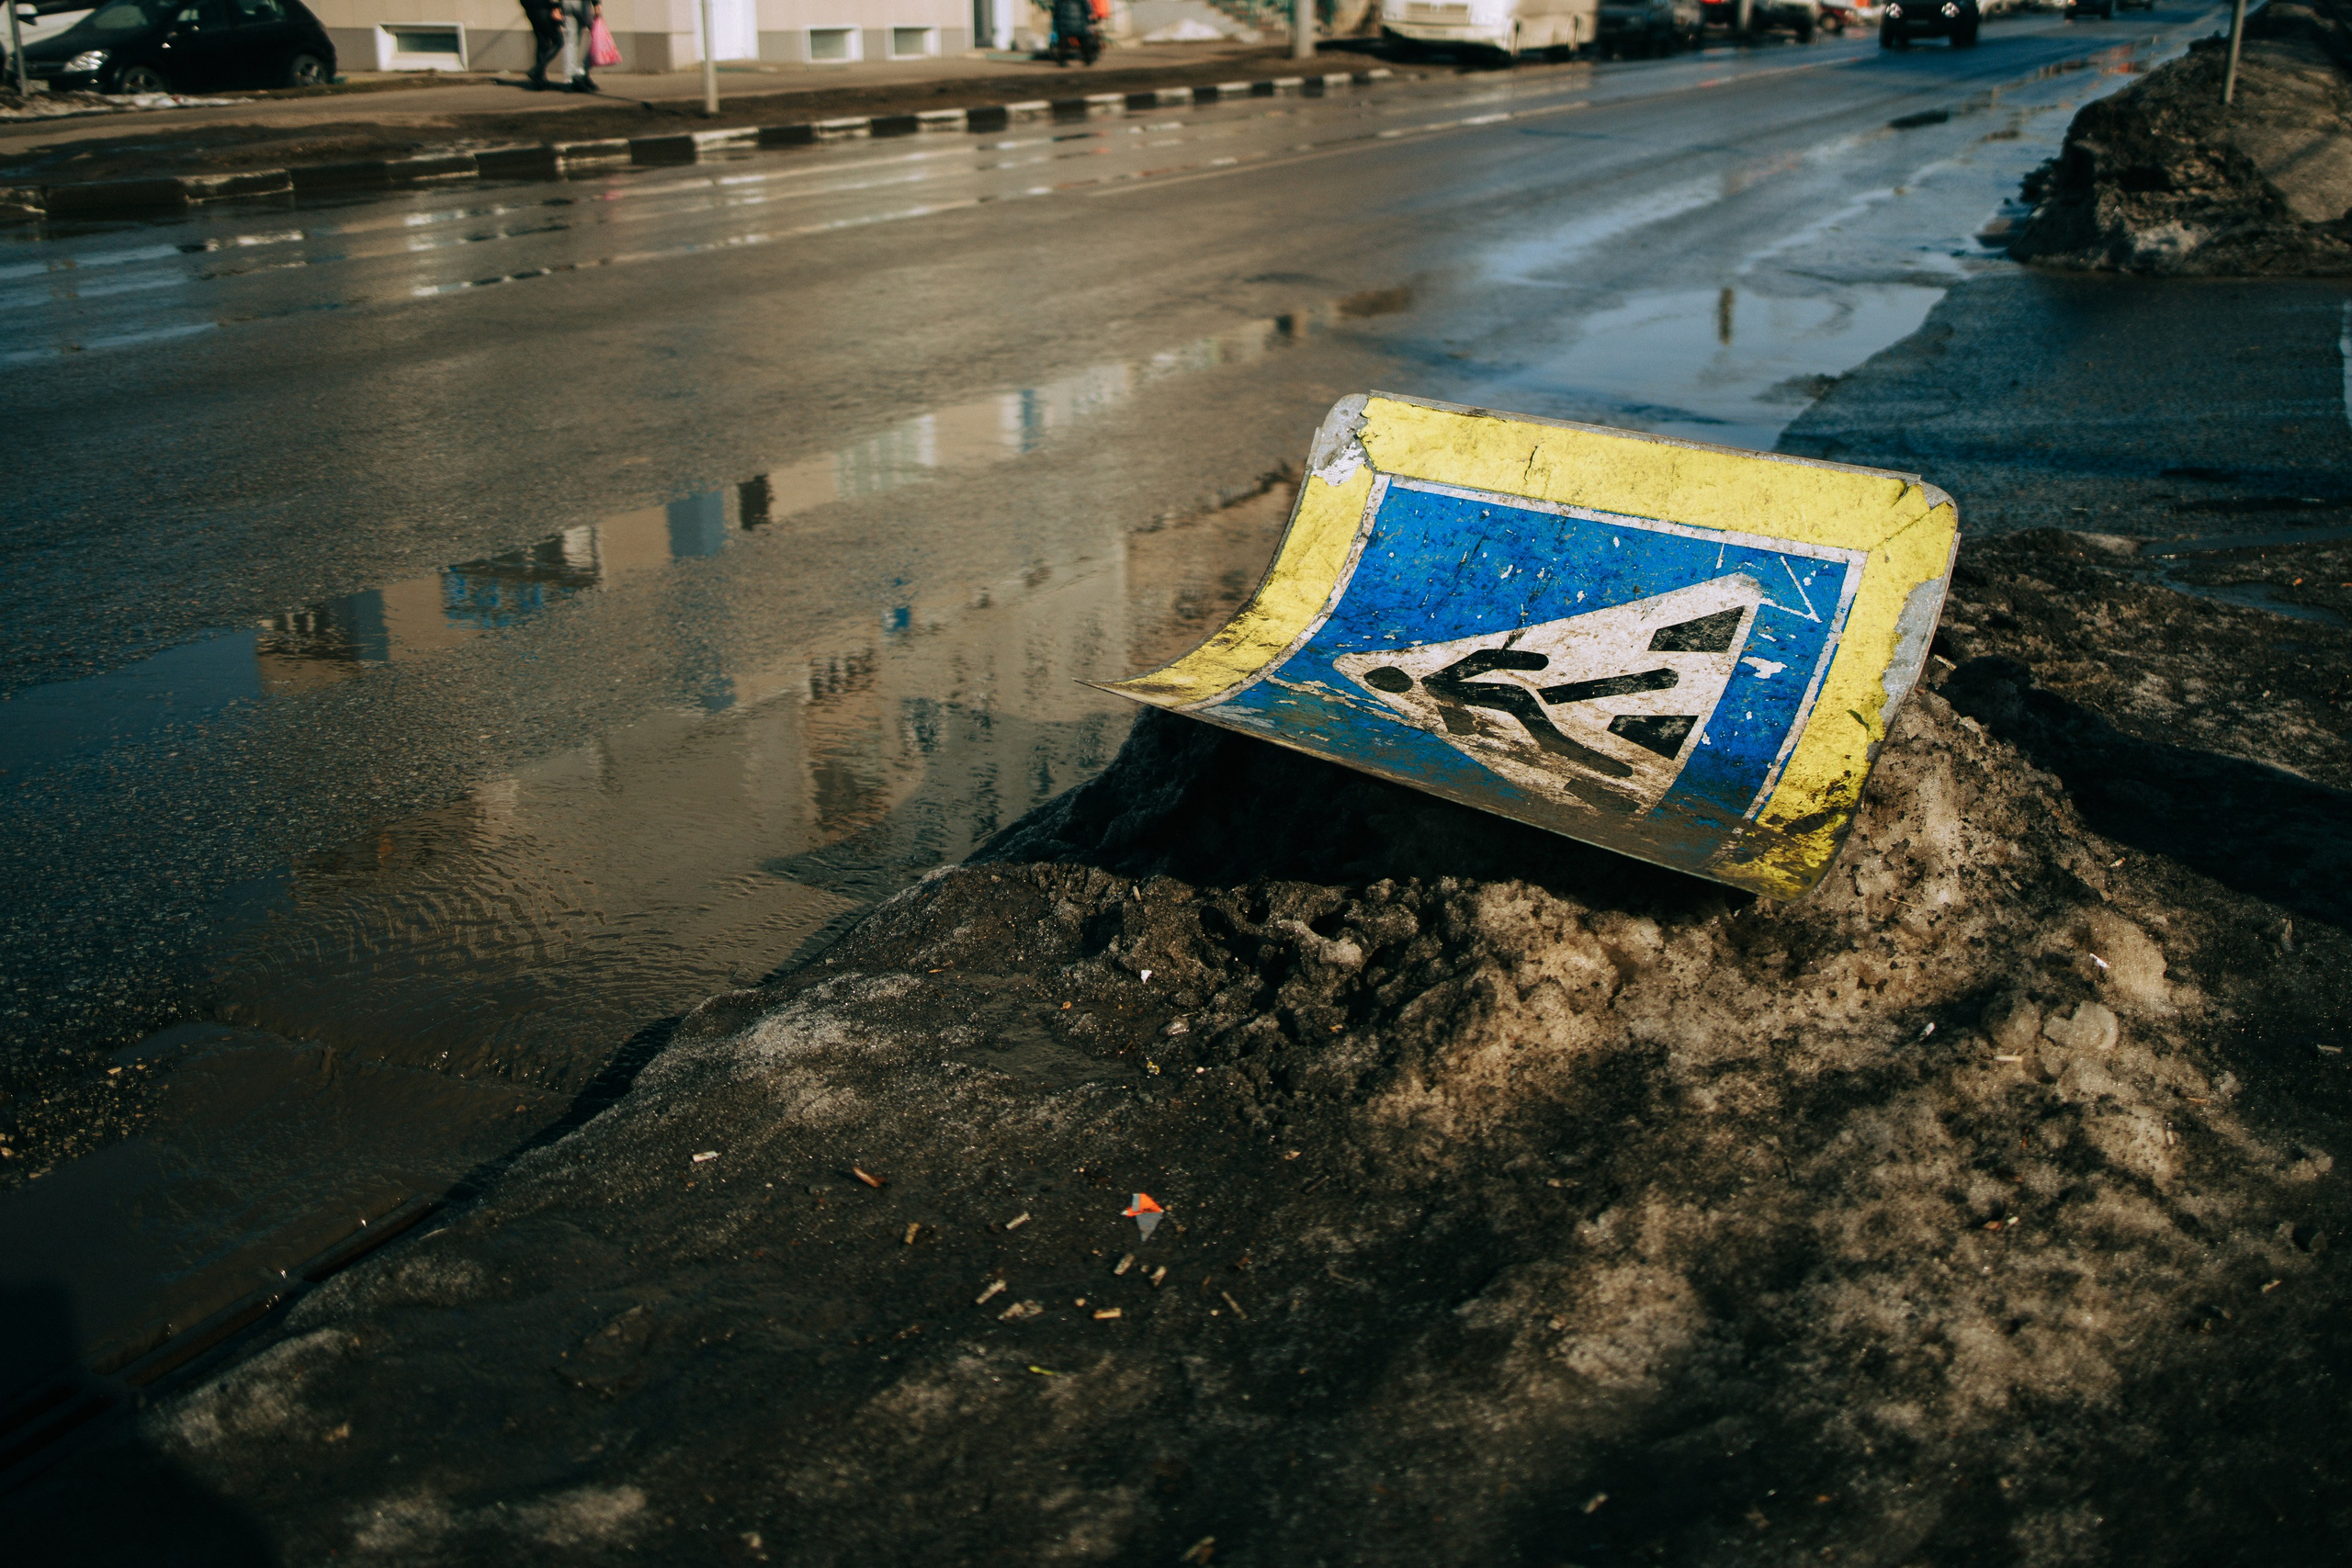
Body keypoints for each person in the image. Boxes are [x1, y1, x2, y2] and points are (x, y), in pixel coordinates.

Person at [560, 0, 603, 92]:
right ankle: (582, 71)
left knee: (570, 42)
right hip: (582, 4)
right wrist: (596, 3)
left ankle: (569, 79)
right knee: (598, 36)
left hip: (566, 3)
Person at [520, 0, 564, 89]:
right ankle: (537, 68)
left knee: (542, 42)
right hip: (544, 9)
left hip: (531, 10)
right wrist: (556, 7)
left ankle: (539, 80)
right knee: (558, 42)